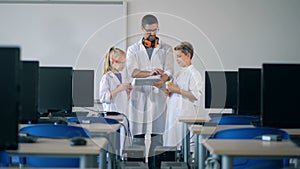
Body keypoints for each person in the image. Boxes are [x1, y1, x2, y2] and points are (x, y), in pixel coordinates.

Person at [126, 14, 174, 168]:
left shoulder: (166, 48)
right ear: (142, 29)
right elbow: (132, 72)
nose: (152, 34)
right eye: (149, 31)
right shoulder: (133, 49)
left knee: (157, 138)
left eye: (155, 30)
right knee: (138, 138)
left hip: (157, 96)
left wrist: (163, 78)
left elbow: (169, 70)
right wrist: (150, 73)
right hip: (139, 98)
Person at [163, 42, 203, 148]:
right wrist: (169, 92)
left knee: (185, 148)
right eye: (176, 56)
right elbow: (174, 91)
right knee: (172, 147)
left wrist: (177, 90)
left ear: (188, 55)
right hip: (173, 115)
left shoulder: (194, 74)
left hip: (186, 115)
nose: (177, 59)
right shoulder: (178, 74)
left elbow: (195, 95)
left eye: (179, 56)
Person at [99, 47, 132, 155]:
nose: (124, 65)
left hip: (123, 114)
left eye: (125, 62)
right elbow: (103, 97)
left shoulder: (122, 76)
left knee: (121, 145)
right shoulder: (107, 77)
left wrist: (128, 92)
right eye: (122, 62)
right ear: (113, 61)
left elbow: (122, 99)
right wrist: (119, 89)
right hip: (112, 115)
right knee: (114, 145)